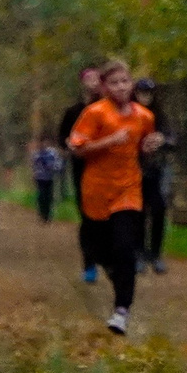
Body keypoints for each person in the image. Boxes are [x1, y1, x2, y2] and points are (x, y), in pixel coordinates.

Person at [67, 58, 164, 335]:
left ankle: (122, 310)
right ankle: (110, 269)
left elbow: (144, 145)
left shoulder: (143, 115)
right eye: (114, 83)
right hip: (97, 189)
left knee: (125, 247)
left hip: (128, 188)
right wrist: (109, 141)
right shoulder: (95, 113)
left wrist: (151, 144)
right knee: (99, 248)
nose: (121, 87)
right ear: (105, 87)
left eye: (125, 81)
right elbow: (77, 148)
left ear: (131, 84)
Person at [59, 65, 104, 283]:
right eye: (89, 78)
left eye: (97, 78)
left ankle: (110, 259)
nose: (93, 82)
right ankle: (89, 264)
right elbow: (63, 140)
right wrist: (71, 147)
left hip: (107, 169)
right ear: (82, 82)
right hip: (81, 170)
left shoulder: (109, 109)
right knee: (88, 217)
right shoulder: (73, 112)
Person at [132, 79, 174, 274]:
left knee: (158, 209)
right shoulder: (129, 113)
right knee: (138, 212)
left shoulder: (161, 116)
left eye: (148, 93)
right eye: (141, 93)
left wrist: (163, 140)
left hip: (157, 170)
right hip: (133, 169)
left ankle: (155, 254)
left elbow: (174, 138)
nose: (145, 97)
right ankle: (138, 253)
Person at [31, 140, 64, 224]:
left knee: (49, 196)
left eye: (44, 143)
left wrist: (53, 167)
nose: (42, 144)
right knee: (41, 196)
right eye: (41, 143)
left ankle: (48, 215)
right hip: (40, 178)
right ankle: (42, 214)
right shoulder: (36, 154)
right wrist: (34, 174)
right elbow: (34, 166)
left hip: (49, 178)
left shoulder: (52, 153)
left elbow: (58, 165)